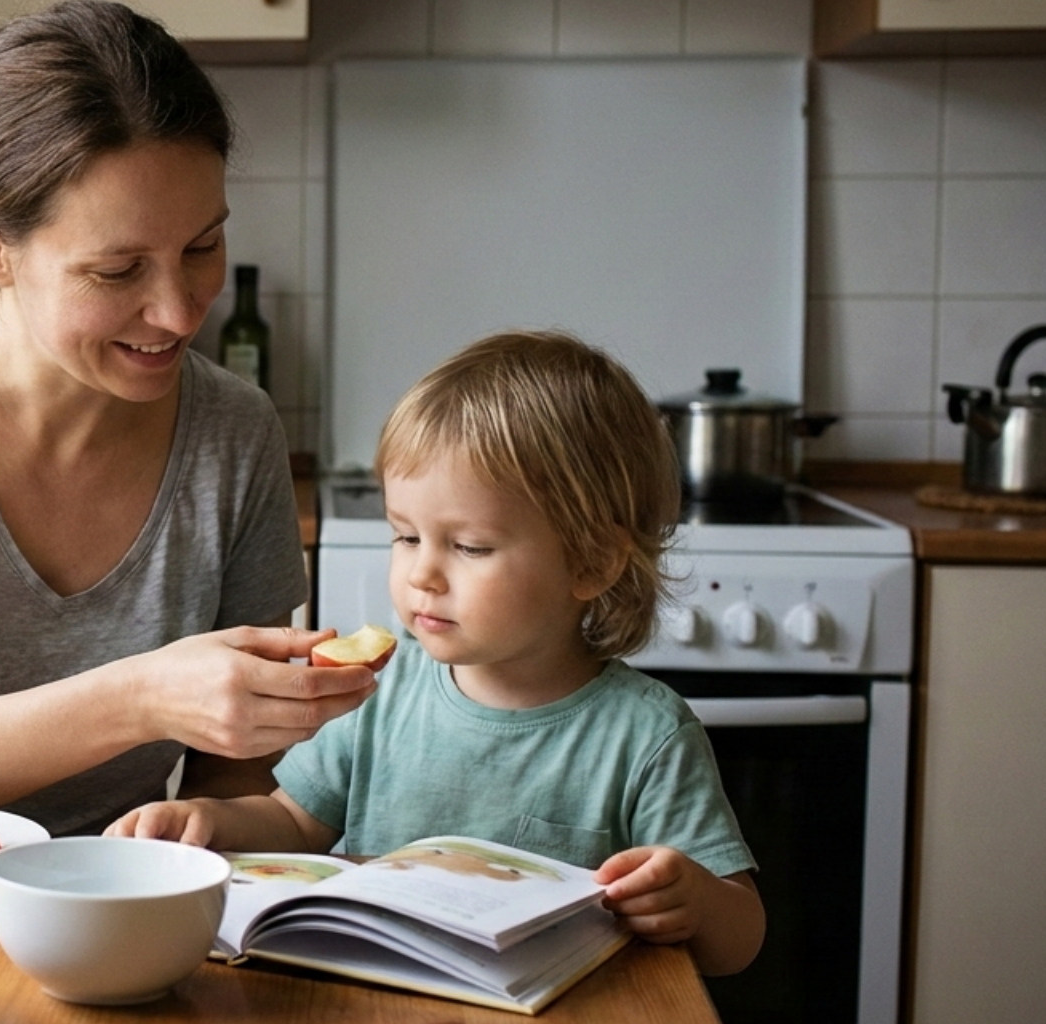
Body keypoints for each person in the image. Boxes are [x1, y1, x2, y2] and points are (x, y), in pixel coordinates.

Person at [0, 0, 376, 838]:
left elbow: (233, 787)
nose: (180, 313)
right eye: (118, 271)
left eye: (202, 248)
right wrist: (145, 694)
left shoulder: (235, 432)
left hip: (93, 903)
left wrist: (212, 810)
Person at [108, 330, 766, 975]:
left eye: (470, 546)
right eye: (405, 536)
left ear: (591, 563)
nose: (422, 574)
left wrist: (697, 901)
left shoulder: (646, 734)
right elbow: (289, 823)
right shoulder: (385, 694)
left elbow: (741, 938)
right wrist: (206, 823)